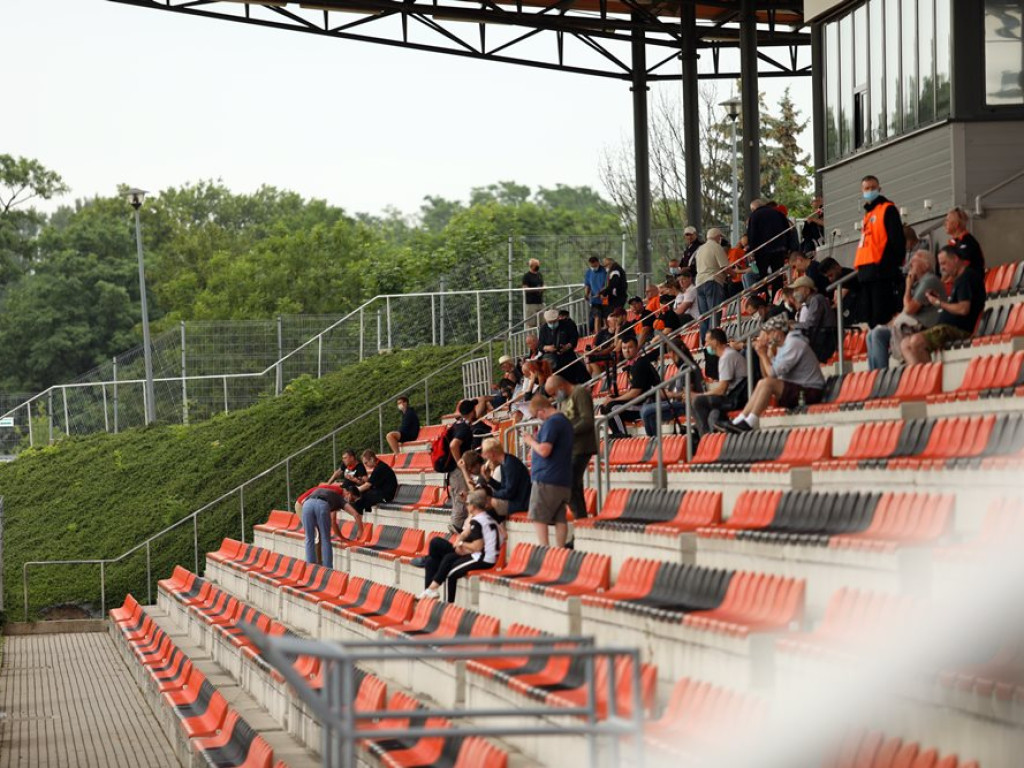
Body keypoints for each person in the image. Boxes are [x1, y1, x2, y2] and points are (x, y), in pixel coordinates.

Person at [721, 314, 826, 432]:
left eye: (769, 333)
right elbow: (766, 376)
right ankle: (740, 419)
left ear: (777, 332)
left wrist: (763, 355)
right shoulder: (783, 346)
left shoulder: (793, 343)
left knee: (767, 383)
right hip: (800, 389)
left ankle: (750, 422)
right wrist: (762, 354)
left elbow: (771, 374)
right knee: (762, 383)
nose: (767, 337)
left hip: (810, 391)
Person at [901, 245, 986, 365]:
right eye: (940, 265)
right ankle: (919, 376)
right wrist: (938, 300)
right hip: (947, 328)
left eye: (944, 263)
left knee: (916, 342)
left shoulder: (966, 278)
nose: (942, 268)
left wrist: (939, 303)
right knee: (905, 344)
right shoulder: (959, 279)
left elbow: (963, 309)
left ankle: (929, 375)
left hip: (959, 329)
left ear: (955, 259)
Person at [416, 490, 505, 602]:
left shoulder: (478, 521)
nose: (466, 505)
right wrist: (460, 542)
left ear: (473, 506)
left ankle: (446, 602)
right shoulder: (485, 517)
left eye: (467, 503)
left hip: (482, 558)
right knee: (436, 559)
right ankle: (431, 591)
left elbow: (478, 546)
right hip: (477, 553)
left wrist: (462, 545)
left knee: (449, 569)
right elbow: (466, 534)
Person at [867, 250, 944, 370]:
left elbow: (909, 309)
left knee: (878, 334)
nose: (910, 265)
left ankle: (880, 373)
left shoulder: (929, 280)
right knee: (872, 334)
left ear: (926, 266)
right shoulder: (918, 283)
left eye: (914, 262)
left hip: (925, 326)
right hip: (913, 324)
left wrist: (908, 286)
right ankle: (875, 376)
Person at [522, 394, 574, 547]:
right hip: (563, 478)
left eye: (537, 415)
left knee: (538, 516)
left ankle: (544, 548)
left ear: (542, 410)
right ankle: (560, 549)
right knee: (560, 517)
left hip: (547, 478)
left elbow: (544, 450)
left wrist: (530, 441)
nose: (539, 419)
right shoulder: (564, 421)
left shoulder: (552, 423)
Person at [855, 175, 905, 328]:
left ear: (879, 189)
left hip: (881, 271)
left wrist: (893, 266)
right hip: (866, 271)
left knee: (881, 317)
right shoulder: (868, 214)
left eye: (873, 187)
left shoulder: (887, 209)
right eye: (867, 188)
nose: (870, 191)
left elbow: (897, 240)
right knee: (870, 319)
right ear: (862, 191)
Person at [546, 374, 597, 521]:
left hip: (582, 447)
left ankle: (580, 519)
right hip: (570, 448)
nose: (554, 397)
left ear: (561, 386)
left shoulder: (579, 393)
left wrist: (568, 431)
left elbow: (587, 420)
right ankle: (581, 520)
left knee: (569, 484)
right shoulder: (564, 399)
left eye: (554, 393)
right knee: (574, 485)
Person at [691, 329, 748, 437]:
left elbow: (721, 390)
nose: (705, 345)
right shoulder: (726, 356)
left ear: (715, 342)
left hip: (737, 398)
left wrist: (699, 395)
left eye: (707, 341)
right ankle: (710, 436)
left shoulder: (727, 356)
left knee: (698, 401)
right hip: (733, 396)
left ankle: (705, 437)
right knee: (712, 413)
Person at [602, 336, 660, 436]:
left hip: (644, 405)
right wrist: (613, 397)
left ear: (636, 348)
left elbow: (635, 393)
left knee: (612, 407)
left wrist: (614, 399)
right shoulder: (632, 364)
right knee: (604, 406)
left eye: (630, 347)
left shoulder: (640, 364)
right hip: (636, 403)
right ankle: (617, 434)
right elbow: (631, 390)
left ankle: (621, 435)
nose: (627, 351)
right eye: (624, 348)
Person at [340, 450, 397, 536]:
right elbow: (369, 484)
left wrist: (354, 491)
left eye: (366, 463)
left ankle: (360, 528)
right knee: (360, 497)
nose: (366, 465)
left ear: (372, 459)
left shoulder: (380, 468)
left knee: (360, 499)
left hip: (386, 495)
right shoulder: (379, 466)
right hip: (380, 491)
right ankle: (361, 520)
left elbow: (367, 485)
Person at [445, 400, 477, 533]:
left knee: (458, 498)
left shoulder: (457, 424)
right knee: (461, 498)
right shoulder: (464, 428)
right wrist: (460, 462)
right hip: (457, 470)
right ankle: (457, 528)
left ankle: (457, 527)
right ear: (472, 412)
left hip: (453, 470)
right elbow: (454, 445)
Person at [299, 483, 348, 569]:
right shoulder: (339, 498)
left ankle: (310, 566)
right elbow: (355, 514)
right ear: (347, 492)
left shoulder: (324, 489)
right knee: (325, 539)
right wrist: (360, 529)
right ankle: (328, 567)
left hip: (306, 504)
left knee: (309, 538)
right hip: (322, 505)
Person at [694, 227, 730, 343]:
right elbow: (725, 267)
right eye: (720, 237)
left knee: (704, 317)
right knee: (714, 313)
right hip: (712, 281)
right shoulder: (716, 247)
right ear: (718, 237)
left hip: (699, 283)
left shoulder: (700, 249)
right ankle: (713, 342)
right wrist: (734, 274)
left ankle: (705, 343)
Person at [480, 438, 531, 520]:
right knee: (481, 504)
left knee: (484, 505)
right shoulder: (505, 462)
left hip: (519, 502)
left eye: (485, 454)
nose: (485, 457)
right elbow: (503, 487)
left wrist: (491, 495)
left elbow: (509, 492)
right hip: (514, 500)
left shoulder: (510, 464)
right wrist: (488, 479)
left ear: (492, 453)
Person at [746, 198, 791, 291]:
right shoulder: (778, 213)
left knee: (762, 275)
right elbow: (787, 230)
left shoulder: (754, 215)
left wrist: (751, 250)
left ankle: (763, 296)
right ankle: (777, 296)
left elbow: (752, 235)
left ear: (754, 208)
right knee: (777, 275)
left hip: (762, 251)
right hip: (779, 249)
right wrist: (786, 247)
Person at [791, 275, 838, 363]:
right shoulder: (811, 301)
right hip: (822, 341)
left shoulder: (816, 299)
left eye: (797, 290)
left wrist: (792, 325)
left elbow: (810, 324)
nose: (794, 294)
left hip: (825, 342)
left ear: (807, 290)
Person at [945, 206, 985, 273]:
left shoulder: (968, 242)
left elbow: (961, 269)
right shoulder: (955, 242)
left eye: (947, 220)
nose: (945, 224)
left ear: (956, 224)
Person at [584, 256, 608, 334]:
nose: (593, 268)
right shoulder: (589, 272)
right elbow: (587, 285)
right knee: (597, 316)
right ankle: (598, 334)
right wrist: (586, 294)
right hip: (594, 299)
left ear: (598, 262)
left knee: (605, 315)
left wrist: (601, 292)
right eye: (591, 266)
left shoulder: (604, 271)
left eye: (594, 266)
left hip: (604, 297)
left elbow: (607, 284)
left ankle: (606, 328)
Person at [522, 259, 545, 329]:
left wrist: (544, 287)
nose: (538, 266)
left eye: (538, 265)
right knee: (531, 323)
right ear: (531, 266)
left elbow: (542, 284)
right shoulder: (527, 276)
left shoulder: (539, 275)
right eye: (536, 265)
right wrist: (536, 289)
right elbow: (525, 288)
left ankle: (541, 335)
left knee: (542, 323)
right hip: (531, 303)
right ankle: (531, 336)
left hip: (540, 302)